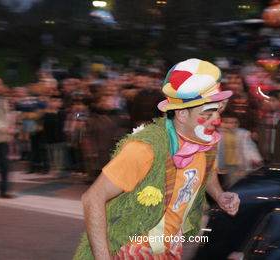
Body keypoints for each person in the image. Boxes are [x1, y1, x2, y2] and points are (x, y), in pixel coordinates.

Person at [74, 58, 241, 259]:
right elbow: (93, 198)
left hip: (170, 245)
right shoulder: (145, 149)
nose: (217, 120)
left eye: (218, 110)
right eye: (208, 112)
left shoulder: (206, 143)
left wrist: (220, 196)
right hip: (132, 248)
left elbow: (207, 170)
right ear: (181, 114)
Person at [217, 115, 263, 189]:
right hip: (221, 166)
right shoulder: (217, 134)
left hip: (237, 166)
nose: (231, 125)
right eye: (227, 122)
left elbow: (250, 147)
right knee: (222, 185)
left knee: (234, 186)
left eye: (234, 123)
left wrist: (256, 159)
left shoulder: (243, 134)